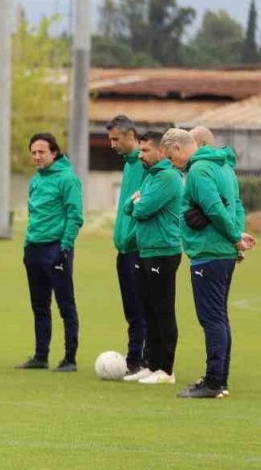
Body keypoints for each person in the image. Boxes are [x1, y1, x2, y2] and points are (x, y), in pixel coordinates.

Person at [172, 128, 254, 398]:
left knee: (211, 318)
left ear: (195, 144)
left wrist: (234, 238)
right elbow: (237, 207)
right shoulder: (227, 169)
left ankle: (213, 382)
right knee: (219, 316)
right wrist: (235, 238)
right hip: (221, 253)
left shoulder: (199, 169)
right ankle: (220, 379)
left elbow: (214, 208)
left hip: (208, 252)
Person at [16, 132, 84, 373]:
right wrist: (27, 244)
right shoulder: (36, 179)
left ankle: (70, 359)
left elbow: (75, 216)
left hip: (56, 249)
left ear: (53, 153)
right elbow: (34, 214)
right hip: (33, 248)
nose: (36, 156)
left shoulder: (68, 179)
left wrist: (64, 247)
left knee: (66, 305)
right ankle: (40, 356)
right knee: (39, 305)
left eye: (41, 152)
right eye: (33, 152)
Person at [120, 129, 183, 385]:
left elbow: (142, 208)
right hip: (146, 250)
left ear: (161, 151)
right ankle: (151, 364)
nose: (140, 155)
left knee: (163, 312)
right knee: (148, 311)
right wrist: (137, 202)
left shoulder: (168, 177)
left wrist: (138, 202)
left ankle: (166, 370)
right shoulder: (151, 177)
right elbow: (128, 206)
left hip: (163, 252)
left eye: (145, 150)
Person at [106, 115, 148, 375]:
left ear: (131, 135)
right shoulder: (129, 165)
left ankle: (139, 359)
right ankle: (135, 356)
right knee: (131, 308)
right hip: (123, 249)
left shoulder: (146, 164)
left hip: (139, 249)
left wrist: (132, 237)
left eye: (115, 139)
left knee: (141, 308)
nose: (112, 145)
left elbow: (145, 207)